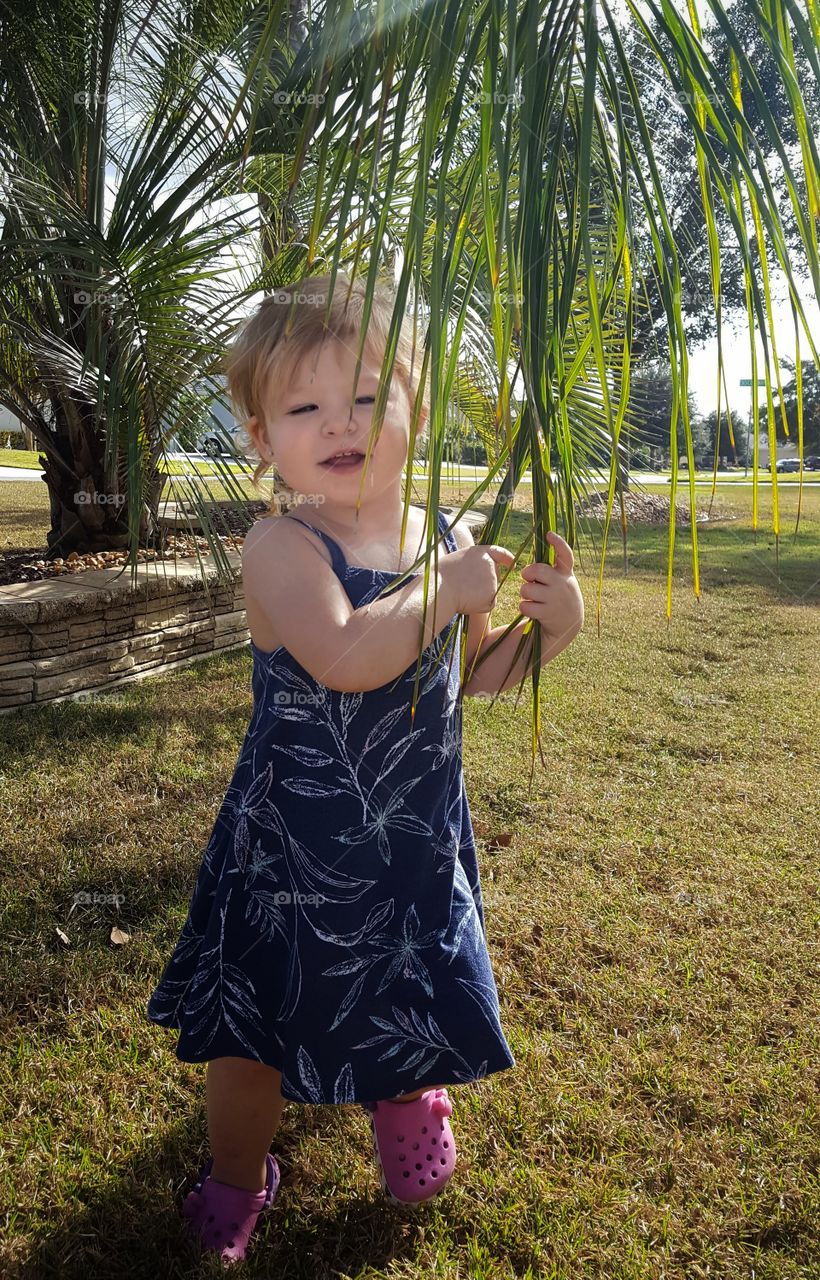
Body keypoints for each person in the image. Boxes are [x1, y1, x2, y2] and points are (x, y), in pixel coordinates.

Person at [147, 272, 585, 1265]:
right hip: (293, 854)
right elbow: (347, 657)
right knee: (251, 1038)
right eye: (303, 406)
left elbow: (472, 675)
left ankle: (404, 1104)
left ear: (415, 408)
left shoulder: (444, 539)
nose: (338, 423)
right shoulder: (280, 546)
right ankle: (234, 1178)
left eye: (366, 396)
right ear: (263, 439)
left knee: (402, 993)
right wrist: (440, 587)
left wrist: (552, 631)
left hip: (409, 839)